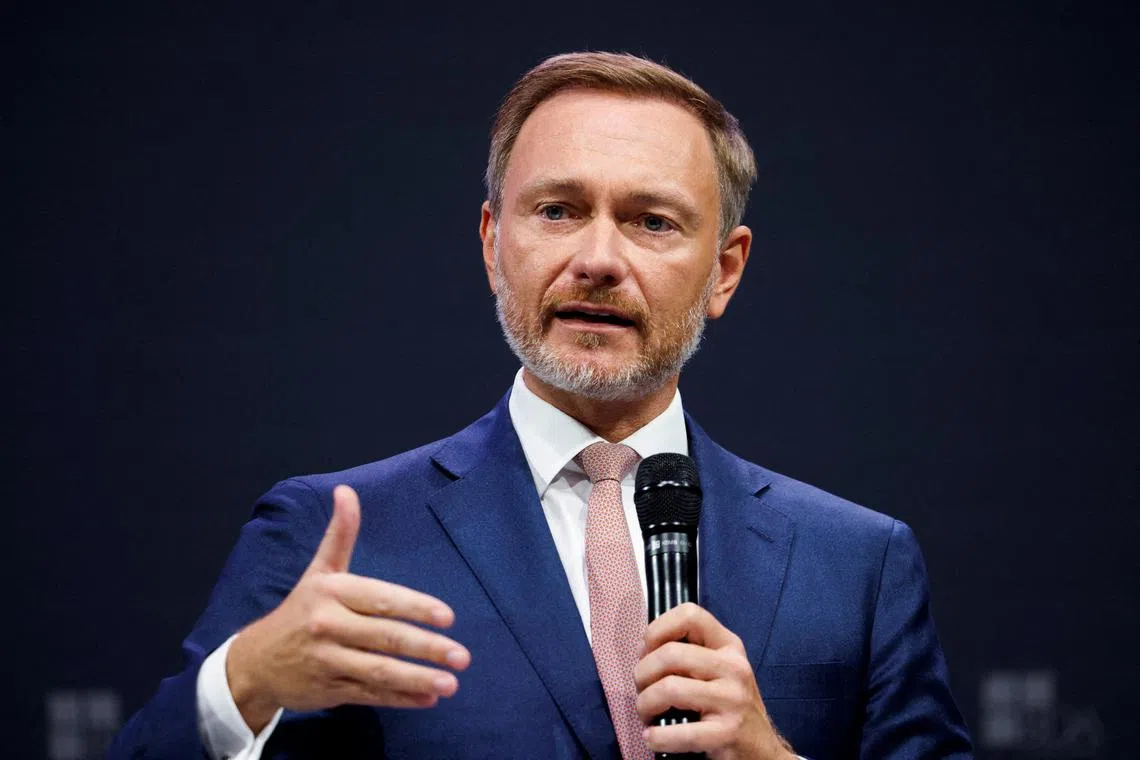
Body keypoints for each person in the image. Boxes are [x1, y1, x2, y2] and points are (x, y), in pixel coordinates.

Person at [108, 52, 973, 759]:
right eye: (557, 211)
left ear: (726, 270)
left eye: (652, 222)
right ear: (493, 246)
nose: (598, 258)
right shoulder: (337, 536)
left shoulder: (858, 564)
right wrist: (247, 680)